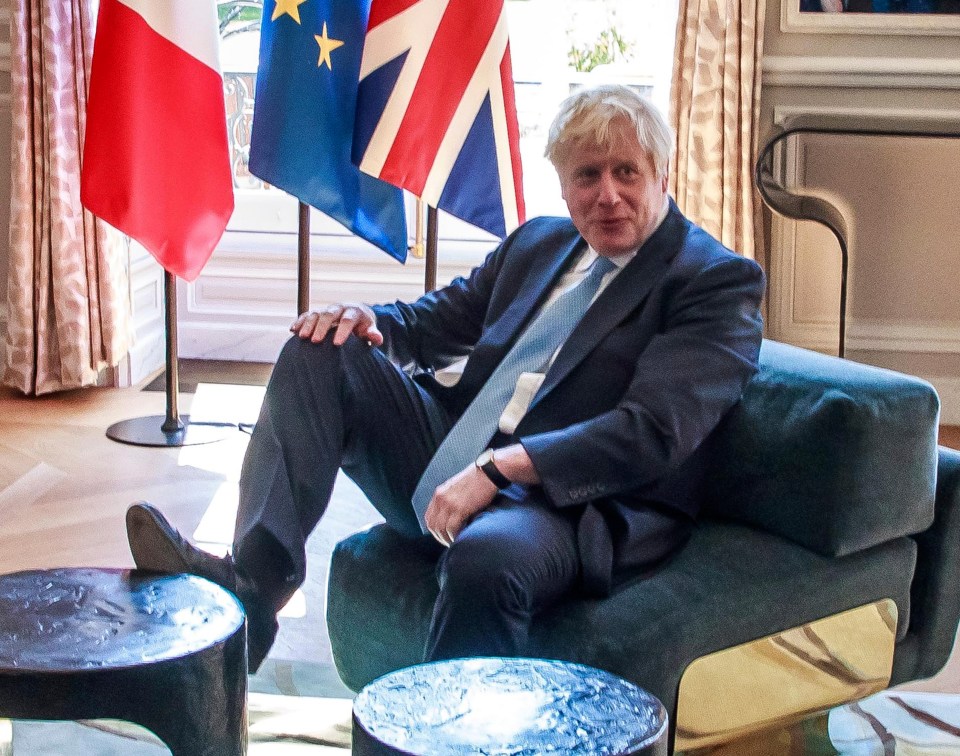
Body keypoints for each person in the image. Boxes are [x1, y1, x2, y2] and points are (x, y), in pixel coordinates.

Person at [126, 83, 765, 672]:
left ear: (660, 172)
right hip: (455, 448)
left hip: (566, 499)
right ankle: (252, 592)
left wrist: (499, 470)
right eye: (586, 176)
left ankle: (450, 732)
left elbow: (651, 432)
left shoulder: (712, 280)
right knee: (319, 349)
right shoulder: (541, 243)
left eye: (626, 172)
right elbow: (443, 318)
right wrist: (372, 321)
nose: (608, 194)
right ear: (563, 187)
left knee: (487, 560)